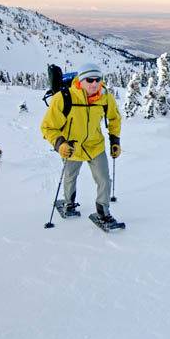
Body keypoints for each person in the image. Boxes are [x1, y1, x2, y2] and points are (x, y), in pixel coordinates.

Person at [40, 62, 122, 223]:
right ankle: (69, 204)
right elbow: (47, 127)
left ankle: (103, 212)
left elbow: (114, 118)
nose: (94, 84)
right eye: (89, 80)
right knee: (70, 177)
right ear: (80, 80)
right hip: (71, 146)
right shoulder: (64, 98)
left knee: (104, 179)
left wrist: (115, 141)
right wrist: (60, 144)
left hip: (95, 145)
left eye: (98, 79)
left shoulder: (105, 97)